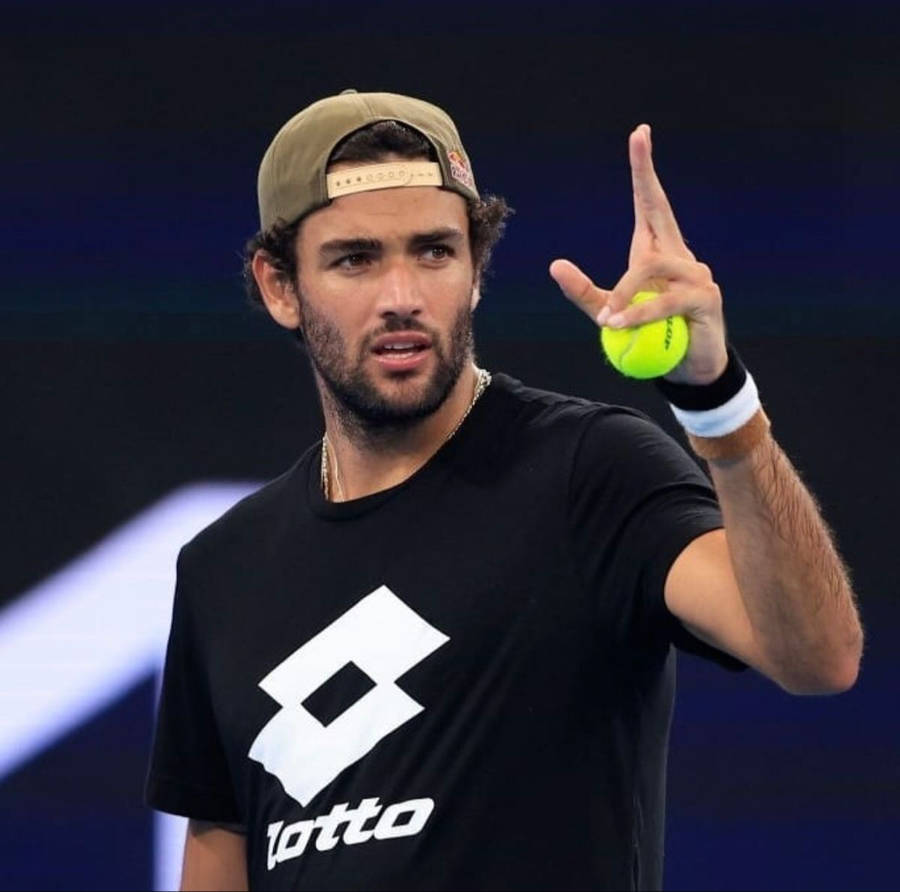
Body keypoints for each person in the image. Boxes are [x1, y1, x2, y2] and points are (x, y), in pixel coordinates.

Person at [145, 90, 863, 891]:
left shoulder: (590, 470)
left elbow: (815, 654)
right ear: (281, 287)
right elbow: (219, 851)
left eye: (435, 252)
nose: (403, 296)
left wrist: (718, 400)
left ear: (478, 269)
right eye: (355, 259)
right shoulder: (223, 568)